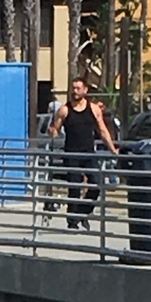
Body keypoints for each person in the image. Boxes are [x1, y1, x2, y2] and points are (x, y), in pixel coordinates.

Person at [49, 77, 118, 230]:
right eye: (73, 88)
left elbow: (102, 131)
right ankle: (72, 221)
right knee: (75, 186)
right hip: (71, 153)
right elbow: (56, 129)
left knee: (96, 185)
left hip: (89, 153)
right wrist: (53, 131)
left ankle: (82, 213)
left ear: (85, 90)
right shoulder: (64, 110)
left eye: (78, 88)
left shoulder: (93, 109)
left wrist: (112, 149)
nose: (75, 91)